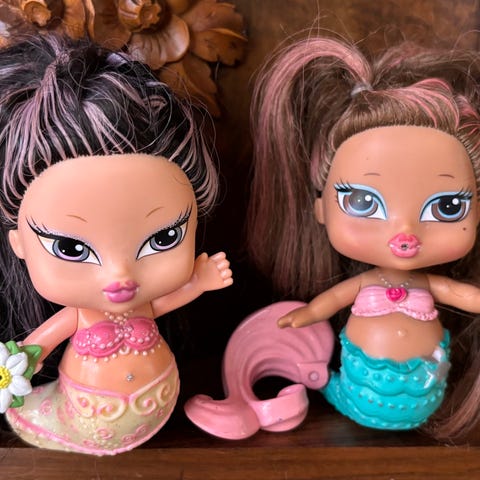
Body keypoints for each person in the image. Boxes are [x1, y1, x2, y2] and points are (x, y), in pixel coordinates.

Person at [186, 35, 480, 440]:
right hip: (362, 385)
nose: (405, 233)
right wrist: (306, 316)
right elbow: (331, 301)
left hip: (424, 387)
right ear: (321, 208)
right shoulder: (370, 282)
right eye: (363, 202)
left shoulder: (425, 283)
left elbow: (463, 295)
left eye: (447, 207)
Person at [0, 34, 232, 455]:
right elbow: (33, 349)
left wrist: (198, 283)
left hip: (158, 396)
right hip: (89, 408)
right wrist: (17, 368)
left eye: (164, 238)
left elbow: (163, 303)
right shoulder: (80, 314)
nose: (120, 275)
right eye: (71, 249)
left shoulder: (141, 303)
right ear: (19, 244)